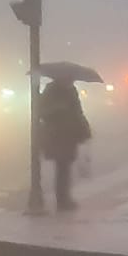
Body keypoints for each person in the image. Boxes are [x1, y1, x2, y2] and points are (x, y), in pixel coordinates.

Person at [37, 72, 92, 211]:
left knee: (65, 167)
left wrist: (84, 127)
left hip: (69, 133)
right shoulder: (51, 90)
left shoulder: (71, 90)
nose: (72, 80)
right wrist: (59, 109)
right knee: (62, 166)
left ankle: (64, 198)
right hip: (57, 133)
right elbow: (42, 111)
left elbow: (78, 111)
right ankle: (62, 199)